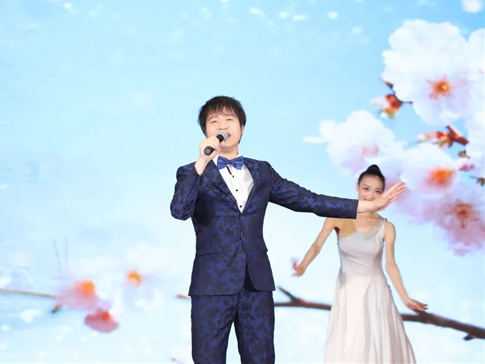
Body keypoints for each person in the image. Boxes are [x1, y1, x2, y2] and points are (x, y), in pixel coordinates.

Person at [170, 96, 406, 364]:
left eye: (229, 119)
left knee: (261, 359)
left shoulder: (262, 171)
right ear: (206, 131)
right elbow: (180, 210)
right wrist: (201, 162)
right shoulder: (191, 173)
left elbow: (308, 200)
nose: (222, 125)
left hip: (256, 284)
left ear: (242, 128)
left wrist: (367, 206)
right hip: (212, 286)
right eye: (214, 121)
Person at [292, 164, 427, 363]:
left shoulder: (387, 227)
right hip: (347, 292)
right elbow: (317, 245)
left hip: (376, 292)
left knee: (378, 343)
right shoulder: (337, 217)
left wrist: (405, 297)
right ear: (357, 187)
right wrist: (303, 266)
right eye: (366, 189)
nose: (371, 195)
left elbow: (390, 264)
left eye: (377, 191)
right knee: (351, 344)